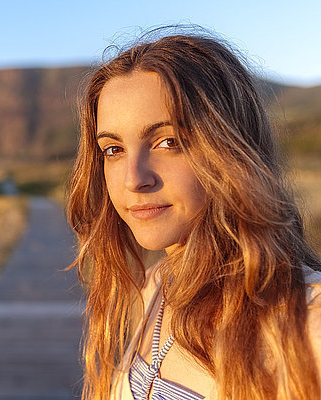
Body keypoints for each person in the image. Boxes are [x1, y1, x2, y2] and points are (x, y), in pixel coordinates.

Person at [66, 28, 321, 400]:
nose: (134, 180)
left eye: (168, 142)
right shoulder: (156, 286)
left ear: (230, 148)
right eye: (113, 149)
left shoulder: (305, 326)